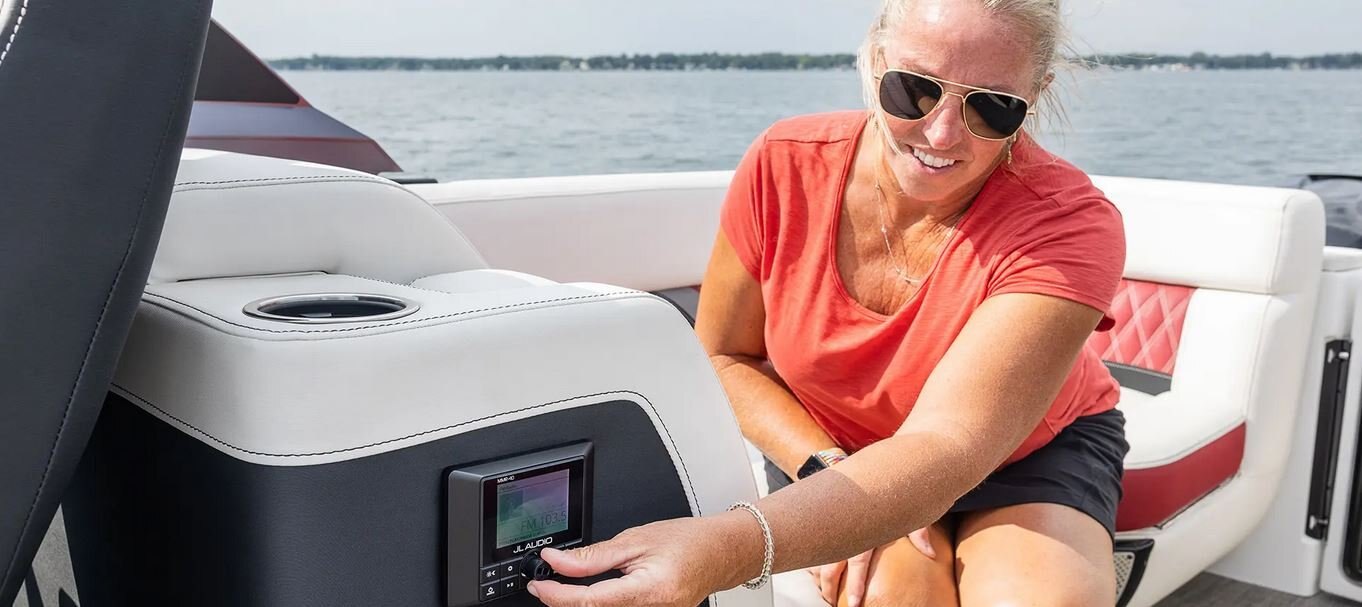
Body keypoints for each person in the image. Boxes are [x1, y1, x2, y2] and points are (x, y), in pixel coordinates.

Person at [529, 0, 1128, 605]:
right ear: (876, 63)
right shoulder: (784, 164)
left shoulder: (1068, 224)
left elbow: (951, 443)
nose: (942, 134)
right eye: (915, 90)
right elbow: (725, 357)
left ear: (1035, 95)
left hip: (1023, 455)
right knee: (895, 593)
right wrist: (824, 468)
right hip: (826, 444)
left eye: (993, 107)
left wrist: (721, 551)